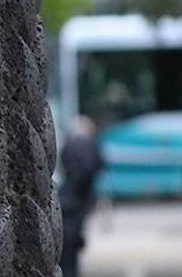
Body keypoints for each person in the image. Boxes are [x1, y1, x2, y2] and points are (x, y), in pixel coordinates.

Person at [59, 114, 102, 277]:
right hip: (77, 204)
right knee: (72, 251)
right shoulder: (89, 145)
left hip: (69, 202)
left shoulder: (70, 144)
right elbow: (97, 165)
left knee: (66, 252)